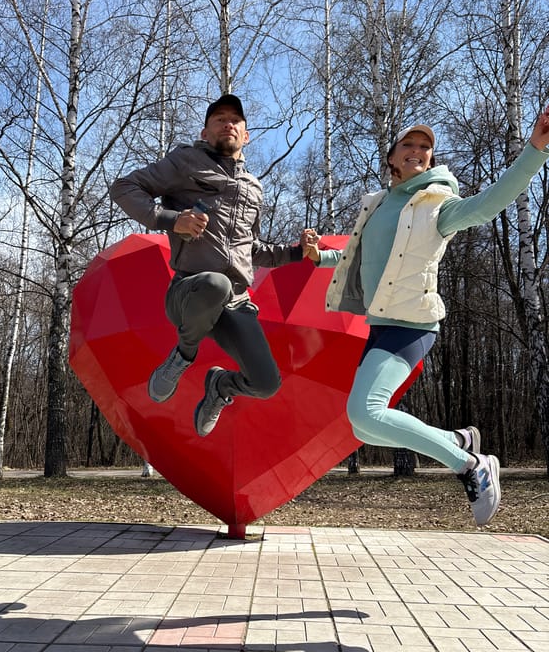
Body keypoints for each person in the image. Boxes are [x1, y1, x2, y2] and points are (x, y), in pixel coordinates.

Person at [304, 106, 549, 527]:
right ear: (393, 157)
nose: (418, 151)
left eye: (426, 147)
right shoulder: (379, 204)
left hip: (413, 323)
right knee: (363, 428)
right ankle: (456, 439)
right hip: (382, 323)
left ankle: (469, 464)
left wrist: (535, 151)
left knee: (365, 412)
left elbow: (490, 203)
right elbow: (361, 254)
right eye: (409, 145)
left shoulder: (438, 204)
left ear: (430, 161)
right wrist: (321, 256)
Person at [110, 94, 315, 437]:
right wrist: (171, 219)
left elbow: (251, 250)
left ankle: (220, 387)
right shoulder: (186, 161)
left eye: (235, 120)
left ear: (246, 135)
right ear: (205, 132)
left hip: (236, 302)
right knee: (215, 283)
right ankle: (183, 356)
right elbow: (124, 188)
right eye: (219, 119)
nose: (228, 124)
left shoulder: (253, 188)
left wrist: (298, 252)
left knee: (266, 383)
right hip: (190, 292)